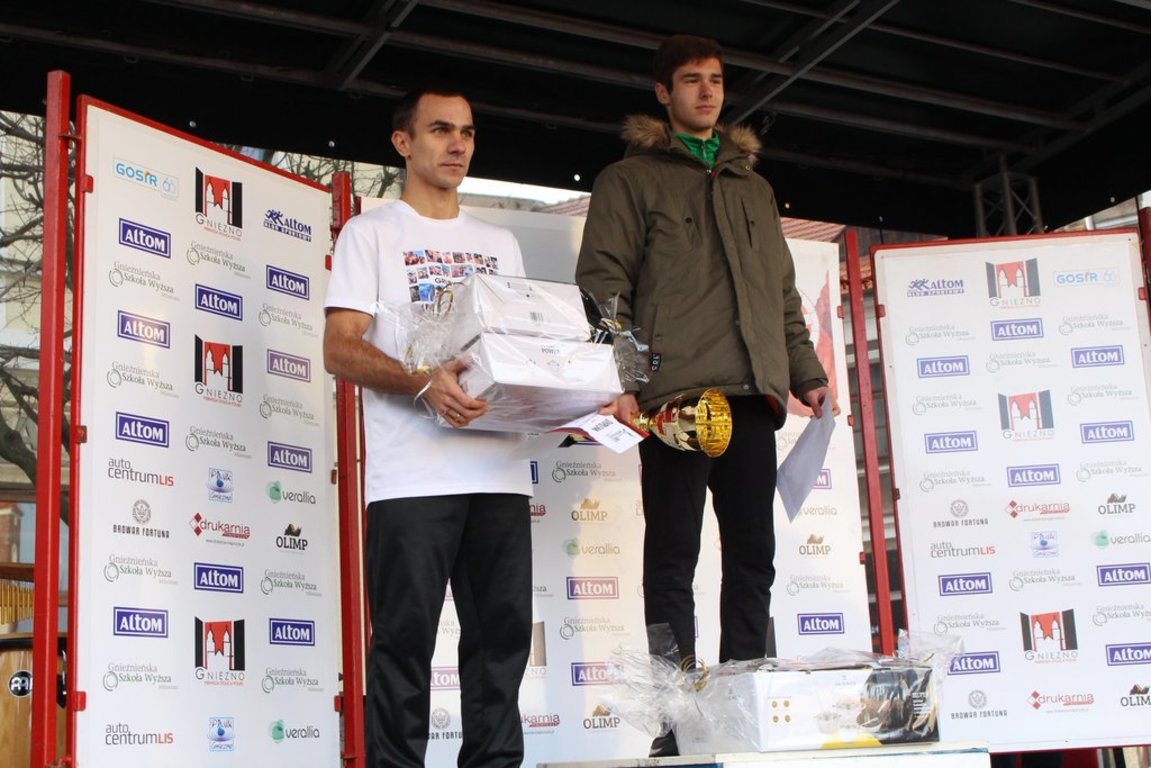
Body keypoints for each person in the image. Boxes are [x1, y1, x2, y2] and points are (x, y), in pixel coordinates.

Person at [575, 35, 835, 757]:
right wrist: (625, 380)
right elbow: (604, 285)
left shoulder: (754, 187)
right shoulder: (628, 180)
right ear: (663, 93)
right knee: (672, 563)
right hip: (675, 403)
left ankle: (742, 709)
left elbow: (782, 295)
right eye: (691, 80)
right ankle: (675, 722)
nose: (707, 91)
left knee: (754, 559)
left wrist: (806, 372)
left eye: (716, 79)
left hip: (752, 397)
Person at [324, 89, 533, 768]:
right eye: (440, 129)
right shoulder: (370, 233)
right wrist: (421, 380)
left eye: (467, 132)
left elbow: (517, 351)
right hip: (411, 477)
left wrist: (572, 398)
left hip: (499, 472)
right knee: (404, 645)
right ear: (402, 142)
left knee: (501, 644)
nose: (457, 144)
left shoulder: (499, 243)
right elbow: (339, 348)